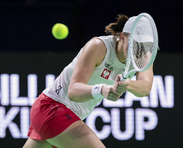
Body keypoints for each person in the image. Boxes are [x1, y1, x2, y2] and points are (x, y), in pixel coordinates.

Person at [23, 14, 154, 148]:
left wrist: (127, 84)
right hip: (52, 107)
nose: (138, 51)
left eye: (144, 46)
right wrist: (102, 89)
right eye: (135, 44)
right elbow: (73, 91)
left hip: (70, 117)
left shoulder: (143, 57)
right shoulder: (99, 46)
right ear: (122, 37)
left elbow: (145, 88)